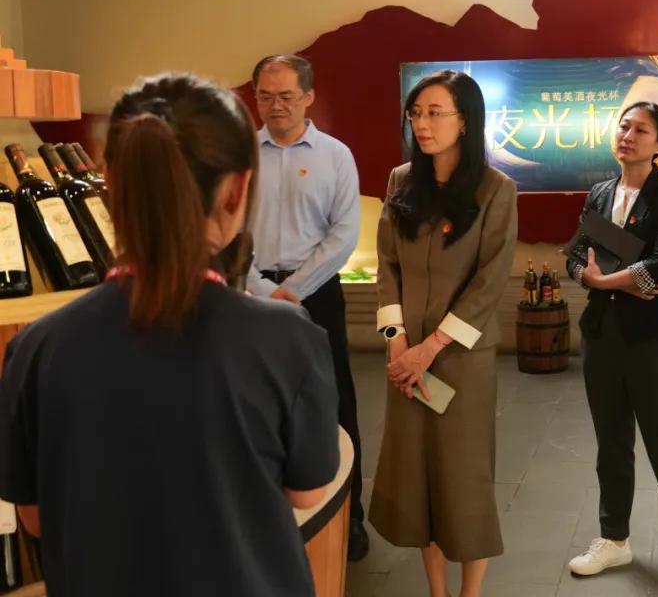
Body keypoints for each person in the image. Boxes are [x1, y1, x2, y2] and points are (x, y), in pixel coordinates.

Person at [0, 74, 339, 595]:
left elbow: (34, 517)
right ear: (238, 190)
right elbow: (308, 490)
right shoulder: (286, 338)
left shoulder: (37, 347)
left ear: (110, 184)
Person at [370, 70, 517, 597]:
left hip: (460, 358)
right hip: (406, 356)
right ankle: (437, 590)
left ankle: (469, 593)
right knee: (416, 478)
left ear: (465, 121)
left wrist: (430, 348)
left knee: (462, 477)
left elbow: (489, 281)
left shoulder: (496, 189)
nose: (423, 124)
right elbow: (387, 267)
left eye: (435, 113)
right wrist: (397, 341)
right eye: (416, 113)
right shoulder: (401, 181)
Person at [565, 102, 658, 593]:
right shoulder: (601, 192)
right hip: (602, 334)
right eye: (624, 126)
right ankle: (614, 538)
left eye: (641, 130)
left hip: (652, 338)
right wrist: (603, 278)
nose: (628, 135)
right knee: (611, 444)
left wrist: (604, 278)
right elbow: (575, 254)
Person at [244, 54, 367, 559]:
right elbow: (226, 229)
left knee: (333, 403)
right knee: (254, 405)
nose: (275, 106)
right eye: (265, 96)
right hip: (249, 298)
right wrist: (261, 289)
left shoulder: (335, 156)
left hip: (317, 296)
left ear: (309, 97)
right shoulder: (239, 155)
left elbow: (344, 234)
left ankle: (348, 518)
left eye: (286, 96)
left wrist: (293, 289)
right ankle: (264, 522)